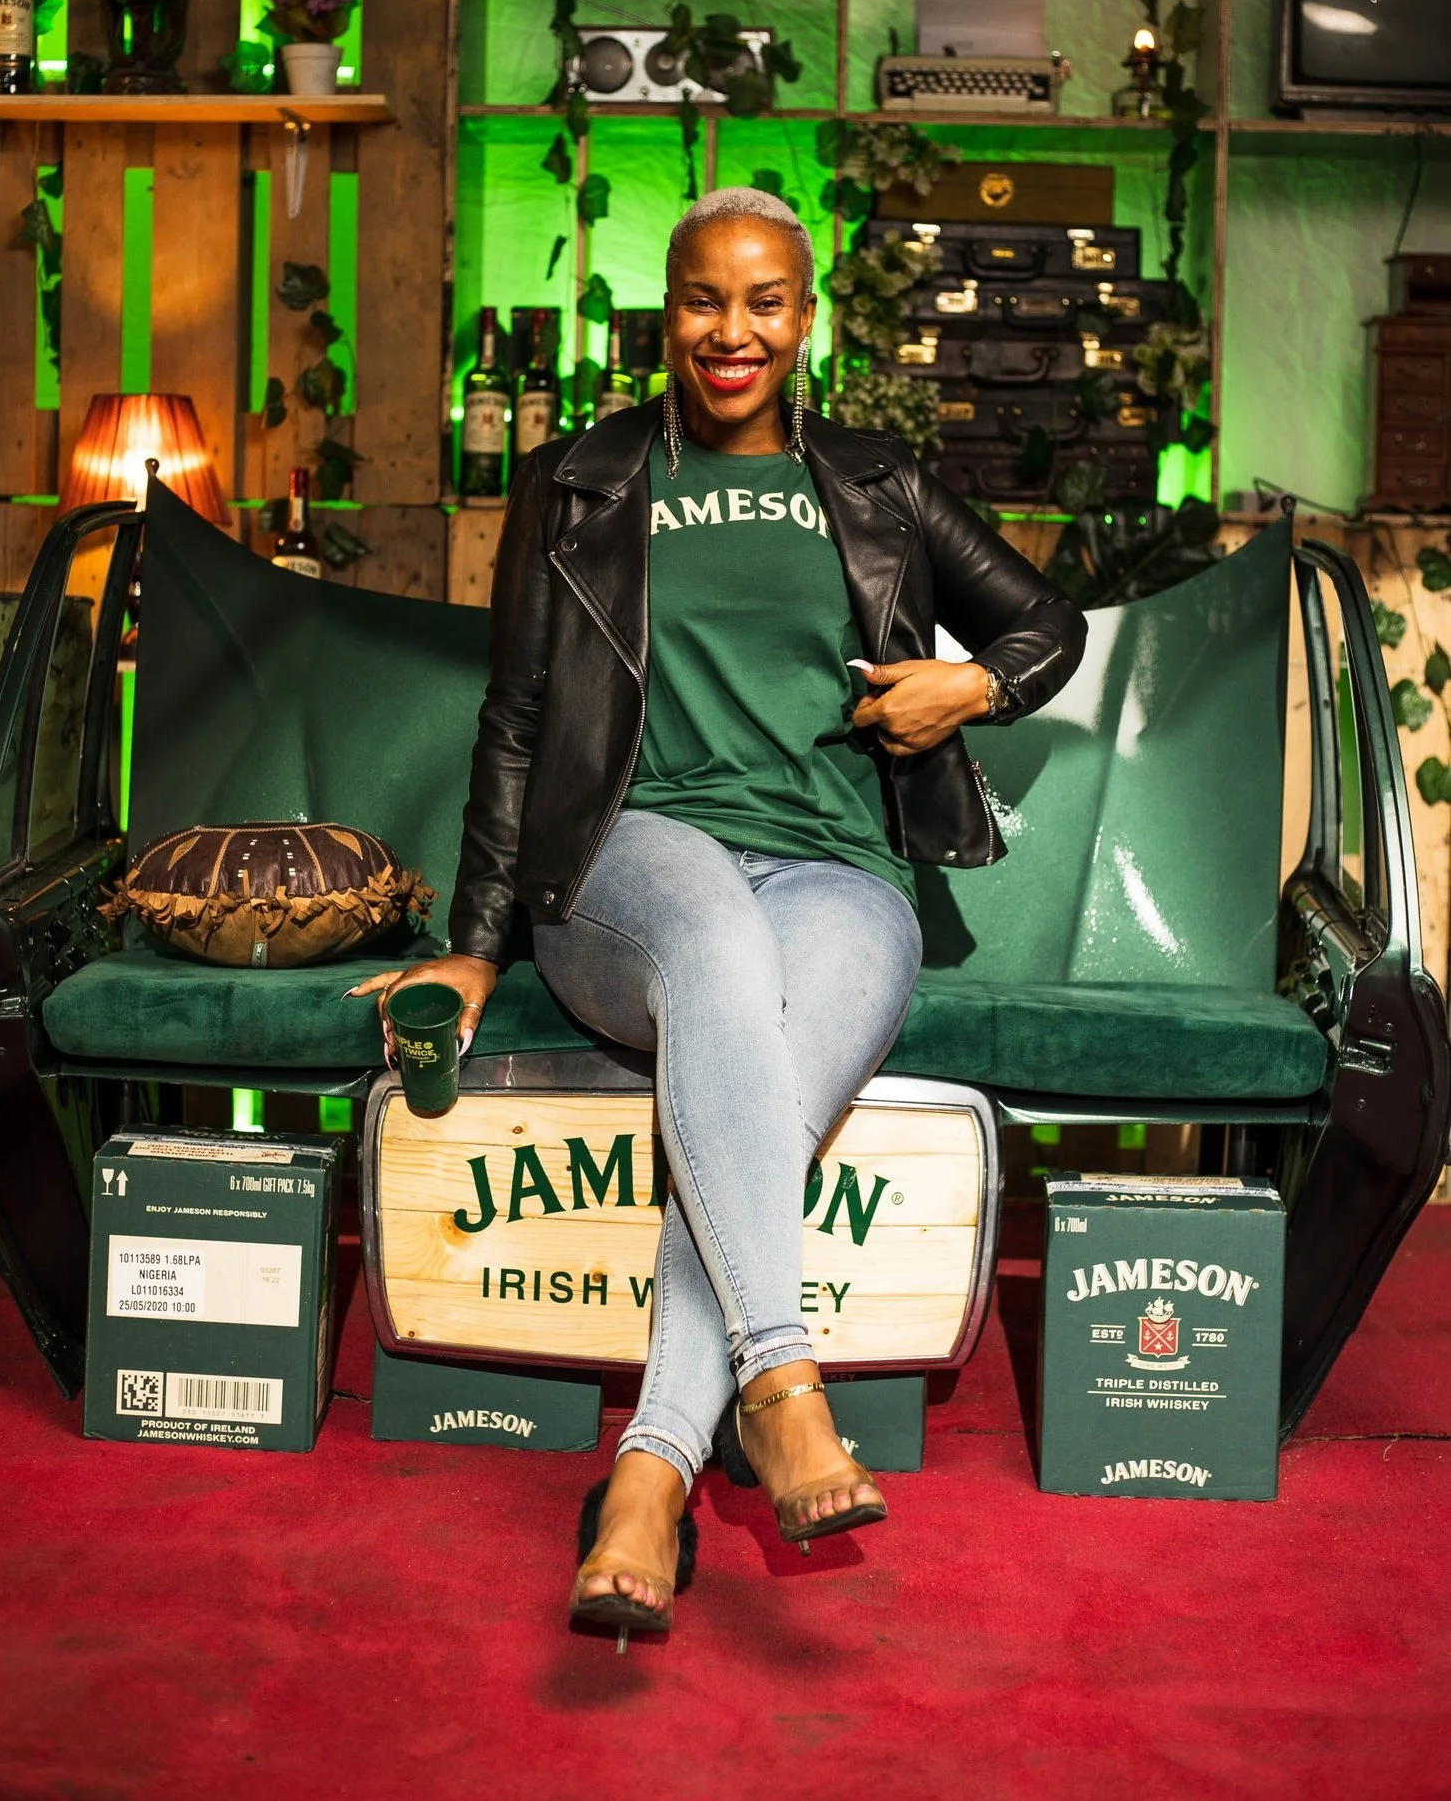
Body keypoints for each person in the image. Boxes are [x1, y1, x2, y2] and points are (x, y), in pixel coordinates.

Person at [353, 188, 1086, 1641]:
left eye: (764, 301)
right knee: (716, 945)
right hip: (631, 863)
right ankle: (781, 1385)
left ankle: (647, 1475)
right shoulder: (580, 479)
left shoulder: (877, 484)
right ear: (665, 312)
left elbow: (1044, 623)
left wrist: (973, 683)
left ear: (804, 317)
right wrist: (478, 939)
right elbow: (515, 721)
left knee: (755, 1054)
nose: (731, 330)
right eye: (702, 299)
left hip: (837, 874)